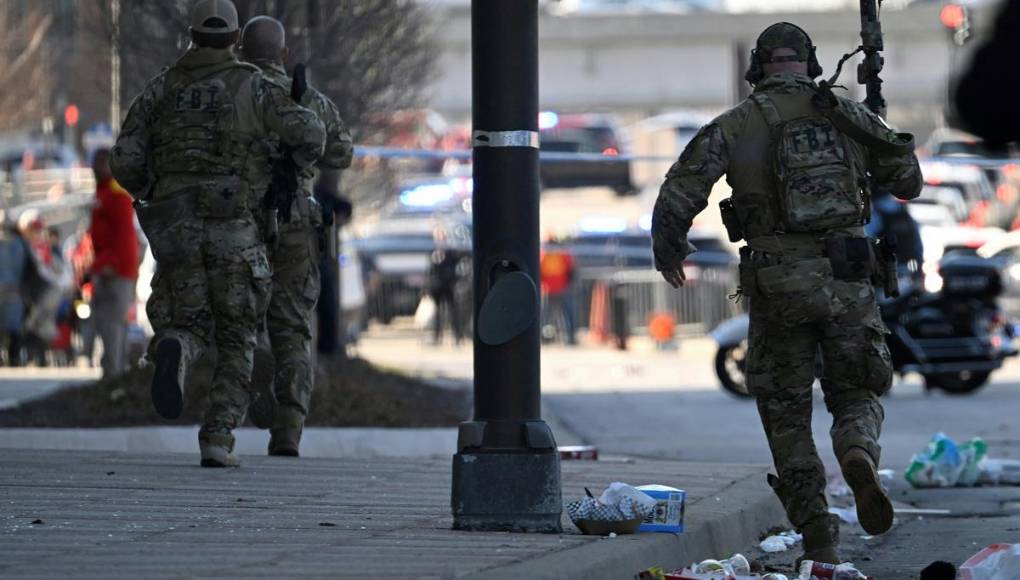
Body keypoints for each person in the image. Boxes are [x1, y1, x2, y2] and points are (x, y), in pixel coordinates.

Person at [651, 23, 922, 564]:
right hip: (848, 280)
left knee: (785, 413)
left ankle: (819, 535)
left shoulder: (734, 124)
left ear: (758, 67)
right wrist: (875, 123)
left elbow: (680, 190)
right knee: (858, 392)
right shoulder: (847, 115)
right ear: (811, 63)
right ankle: (856, 450)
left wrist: (669, 249)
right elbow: (907, 182)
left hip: (778, 287)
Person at [111, 0, 325, 468]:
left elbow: (123, 158)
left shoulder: (161, 88)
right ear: (234, 39)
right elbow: (311, 133)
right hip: (235, 229)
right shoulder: (253, 85)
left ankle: (178, 350)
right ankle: (218, 436)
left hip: (174, 229)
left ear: (191, 34)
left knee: (187, 321)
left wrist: (155, 189)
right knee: (238, 334)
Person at [238, 16, 354, 457]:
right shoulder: (303, 98)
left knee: (237, 325)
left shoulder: (233, 93)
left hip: (241, 222)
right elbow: (341, 153)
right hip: (295, 224)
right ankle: (287, 429)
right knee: (292, 327)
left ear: (241, 53)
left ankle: (227, 419)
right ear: (284, 56)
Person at [88, 149, 140, 378]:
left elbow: (124, 234)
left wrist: (112, 263)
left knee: (113, 324)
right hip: (108, 267)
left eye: (102, 162)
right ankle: (112, 372)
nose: (97, 167)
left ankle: (114, 374)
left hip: (116, 270)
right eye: (95, 162)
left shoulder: (115, 193)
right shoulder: (102, 192)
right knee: (106, 323)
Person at [427, 227, 466, 346]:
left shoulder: (450, 251)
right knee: (438, 312)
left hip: (449, 285)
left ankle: (457, 336)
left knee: (453, 311)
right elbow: (431, 270)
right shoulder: (433, 251)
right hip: (438, 285)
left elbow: (459, 260)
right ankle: (437, 336)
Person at [0, 211, 28, 366]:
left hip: (13, 291)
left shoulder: (19, 243)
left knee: (13, 327)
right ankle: (14, 358)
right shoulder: (20, 243)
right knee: (13, 327)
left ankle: (14, 358)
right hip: (14, 291)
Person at [540, 234, 578, 345]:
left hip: (557, 290)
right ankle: (568, 337)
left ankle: (569, 337)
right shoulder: (558, 254)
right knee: (548, 315)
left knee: (549, 315)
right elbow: (571, 271)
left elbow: (571, 271)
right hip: (553, 290)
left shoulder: (548, 254)